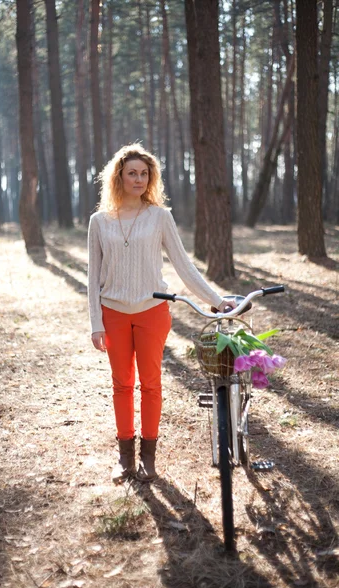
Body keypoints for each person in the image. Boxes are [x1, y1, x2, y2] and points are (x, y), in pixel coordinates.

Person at [88, 143, 235, 484]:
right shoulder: (99, 221)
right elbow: (93, 277)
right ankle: (125, 459)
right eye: (132, 173)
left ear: (150, 178)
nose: (138, 179)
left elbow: (184, 266)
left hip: (153, 311)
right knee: (122, 385)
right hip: (113, 313)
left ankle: (148, 460)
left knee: (150, 384)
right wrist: (96, 323)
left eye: (144, 174)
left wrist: (216, 299)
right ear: (119, 177)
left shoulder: (160, 217)